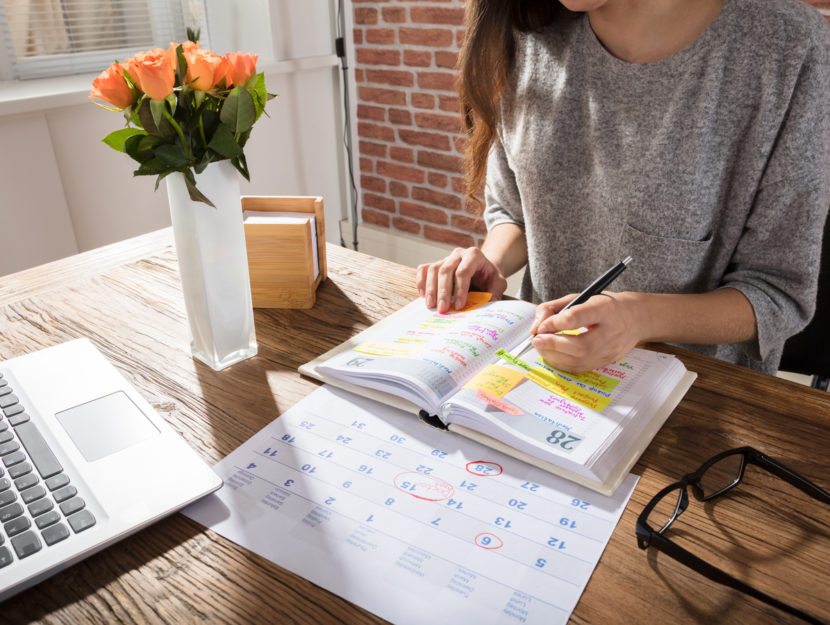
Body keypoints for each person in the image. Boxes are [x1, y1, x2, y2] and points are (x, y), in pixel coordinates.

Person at [416, 0, 830, 375]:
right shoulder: (527, 29)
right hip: (541, 376)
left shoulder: (788, 46)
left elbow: (777, 293)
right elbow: (515, 213)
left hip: (694, 398)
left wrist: (638, 317)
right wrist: (490, 262)